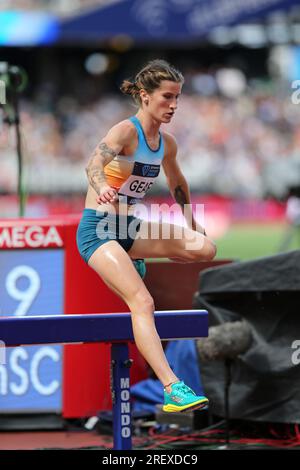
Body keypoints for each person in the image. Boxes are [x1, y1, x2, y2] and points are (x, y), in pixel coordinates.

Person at [76, 59, 217, 413]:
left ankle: (134, 258)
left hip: (130, 229)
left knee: (204, 248)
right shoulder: (125, 131)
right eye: (167, 97)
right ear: (144, 95)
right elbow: (93, 164)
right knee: (143, 303)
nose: (173, 105)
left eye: (177, 99)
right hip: (98, 230)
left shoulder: (166, 144)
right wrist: (103, 186)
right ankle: (172, 388)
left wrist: (190, 220)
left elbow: (176, 182)